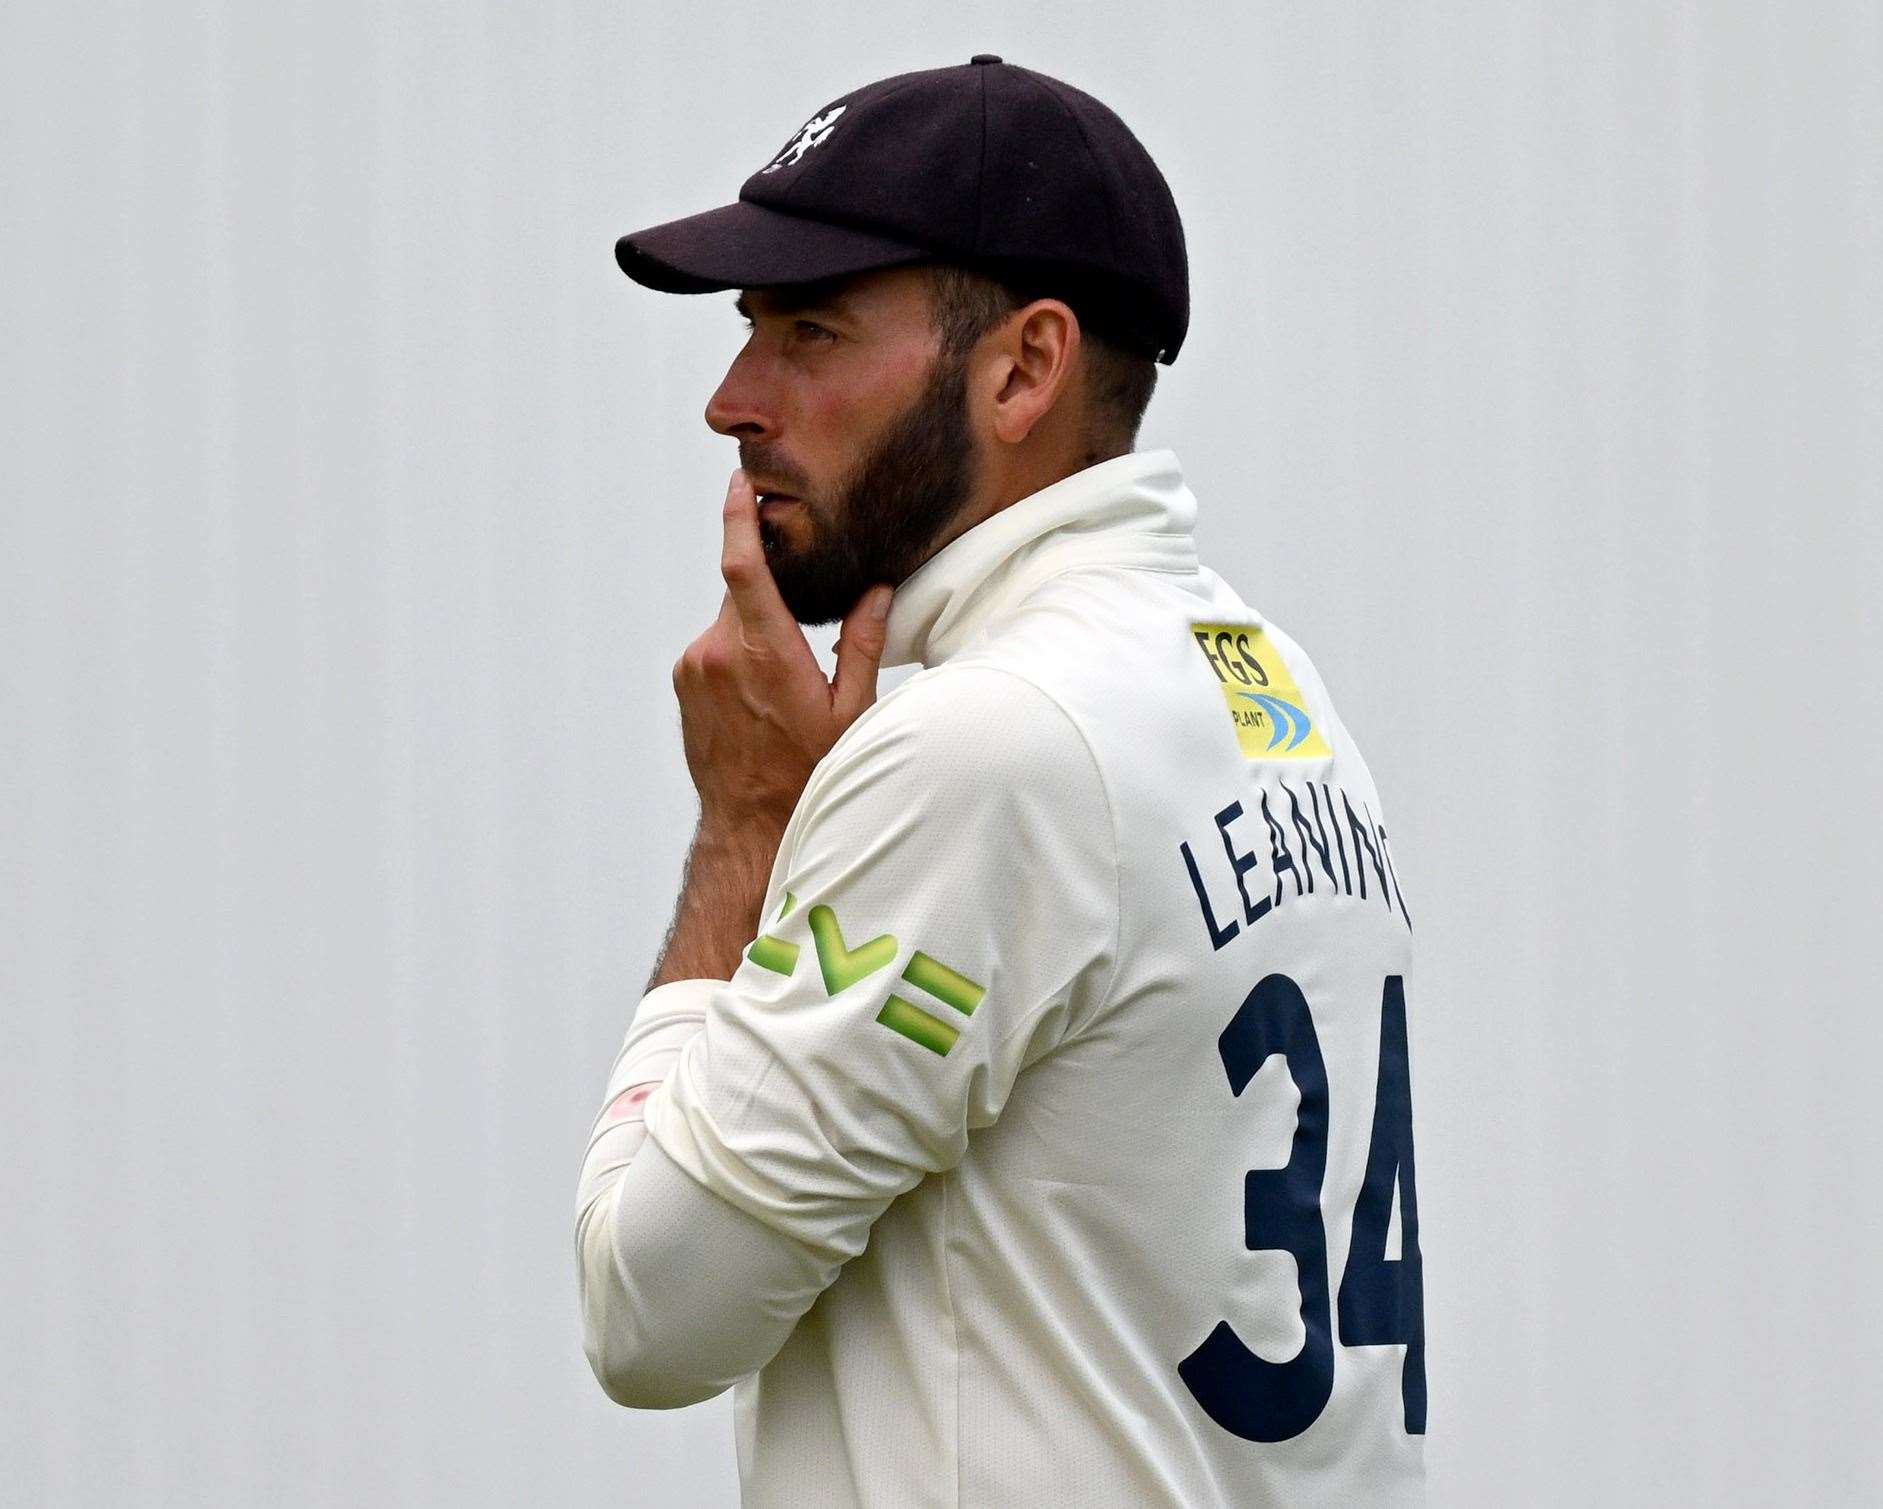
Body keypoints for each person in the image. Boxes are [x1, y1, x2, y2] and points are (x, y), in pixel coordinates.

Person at [576, 56, 1427, 1508]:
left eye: (811, 328)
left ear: (1024, 368)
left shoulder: (986, 744)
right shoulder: (1268, 681)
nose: (732, 398)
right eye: (747, 328)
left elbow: (652, 1311)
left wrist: (746, 828)